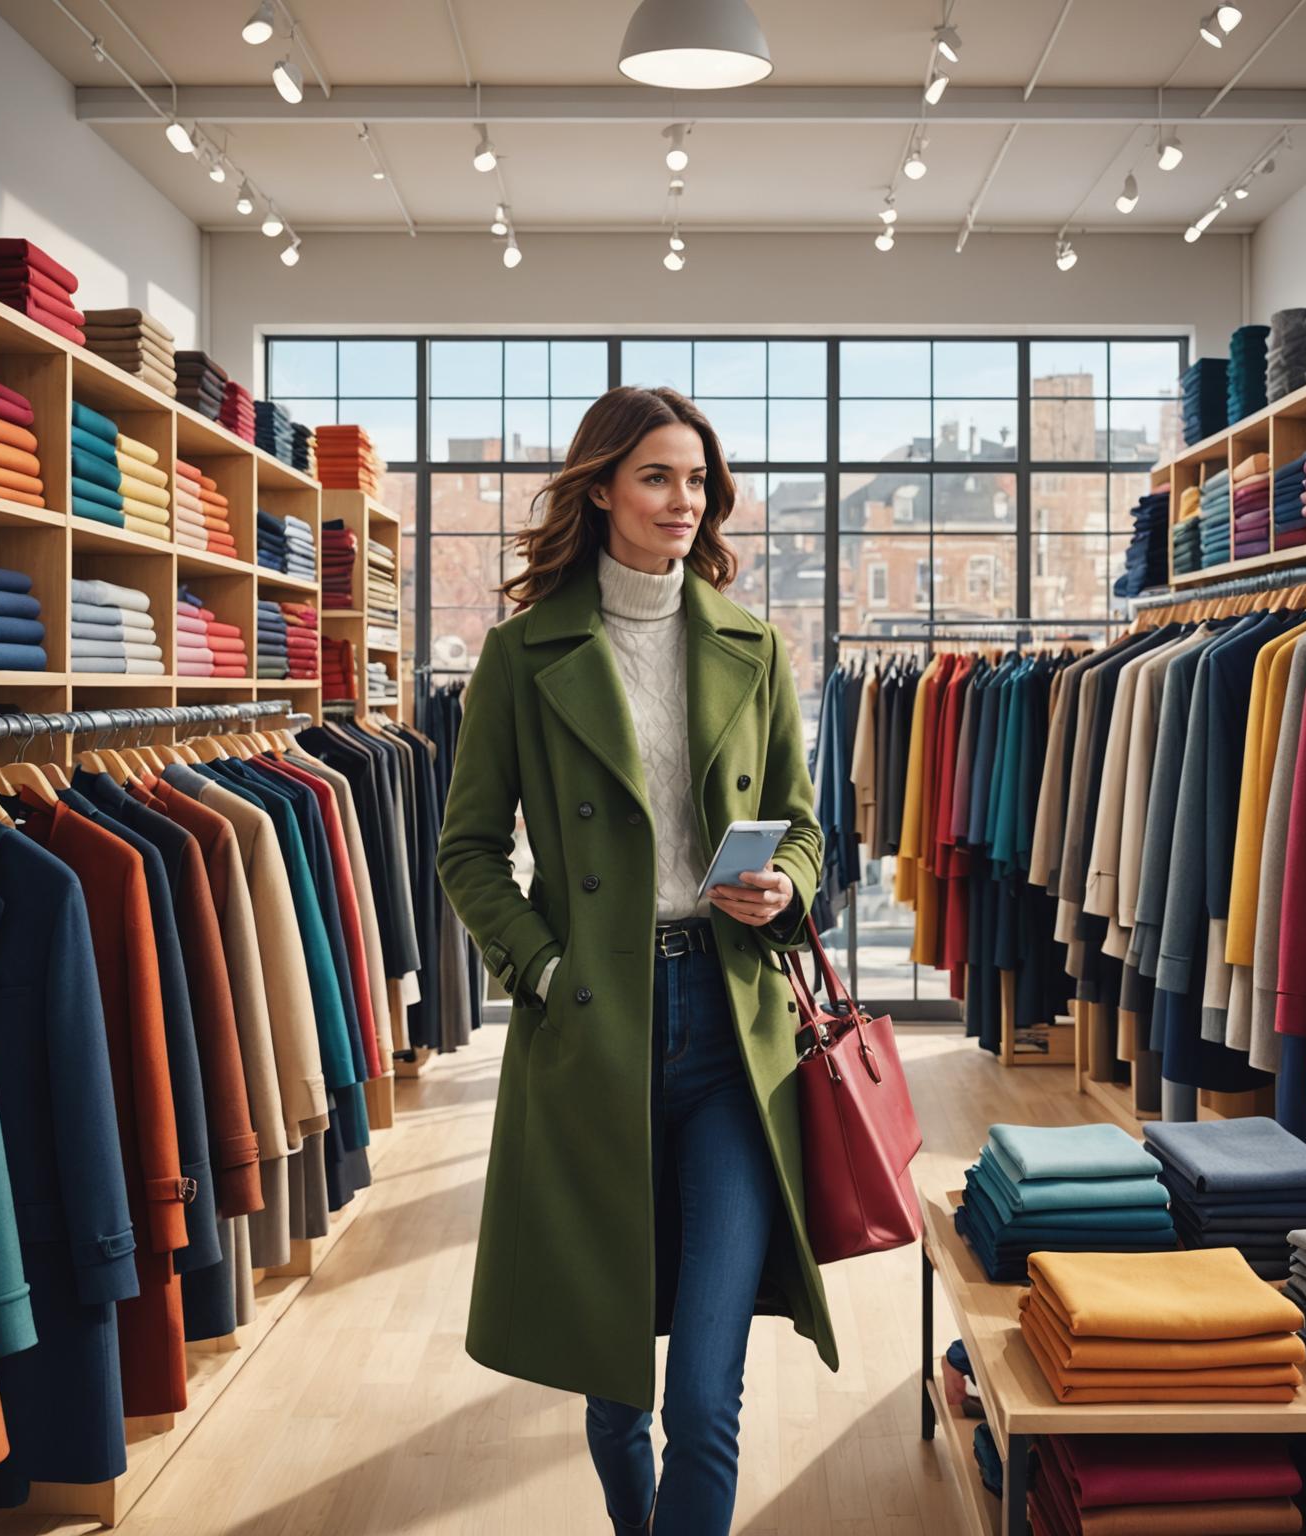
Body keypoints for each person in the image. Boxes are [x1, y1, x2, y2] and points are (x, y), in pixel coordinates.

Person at [437, 385, 839, 1535]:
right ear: (601, 488)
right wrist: (545, 973)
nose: (683, 499)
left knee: (705, 1396)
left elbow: (805, 827)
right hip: (594, 1026)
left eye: (697, 479)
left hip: (732, 1029)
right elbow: (467, 850)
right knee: (616, 1391)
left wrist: (786, 884)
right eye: (657, 476)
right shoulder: (523, 656)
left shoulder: (752, 646)